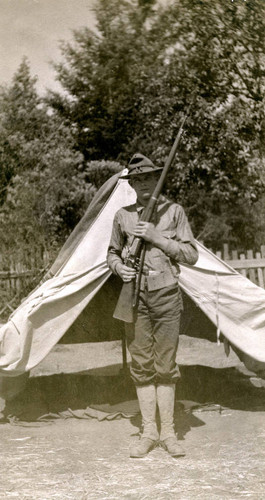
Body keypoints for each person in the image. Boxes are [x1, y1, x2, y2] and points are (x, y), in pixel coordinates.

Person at [107, 153, 198, 458]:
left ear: (157, 180)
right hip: (134, 298)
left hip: (167, 295)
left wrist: (158, 238)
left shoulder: (174, 212)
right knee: (141, 365)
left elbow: (190, 255)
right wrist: (120, 269)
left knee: (166, 365)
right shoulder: (122, 216)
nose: (144, 184)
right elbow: (112, 254)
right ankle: (149, 432)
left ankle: (169, 434)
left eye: (149, 178)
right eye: (138, 179)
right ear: (131, 184)